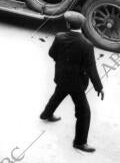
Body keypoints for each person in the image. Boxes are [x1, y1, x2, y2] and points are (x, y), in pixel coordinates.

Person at [40, 11, 104, 153]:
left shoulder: (59, 37)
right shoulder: (87, 45)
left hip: (61, 77)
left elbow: (51, 53)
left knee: (58, 95)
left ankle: (46, 114)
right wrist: (99, 87)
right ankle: (80, 142)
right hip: (77, 83)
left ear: (68, 24)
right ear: (82, 26)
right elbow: (91, 68)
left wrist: (62, 61)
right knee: (84, 112)